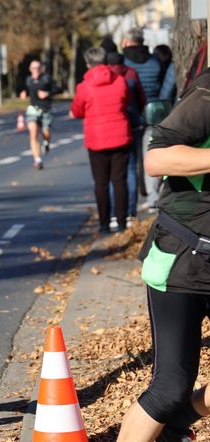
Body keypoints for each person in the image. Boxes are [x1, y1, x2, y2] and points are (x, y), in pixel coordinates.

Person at [117, 68, 210, 442]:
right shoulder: (208, 91)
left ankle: (176, 422)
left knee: (174, 401)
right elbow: (157, 159)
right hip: (183, 258)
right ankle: (170, 415)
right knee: (170, 387)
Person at [70, 47, 131, 234]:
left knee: (101, 183)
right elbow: (126, 102)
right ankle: (122, 222)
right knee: (120, 181)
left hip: (96, 139)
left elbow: (78, 110)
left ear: (88, 64)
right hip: (120, 135)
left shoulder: (84, 86)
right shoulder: (120, 81)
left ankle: (104, 224)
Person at [121, 27, 162, 213]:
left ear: (127, 41)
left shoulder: (124, 61)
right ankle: (153, 197)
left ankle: (133, 202)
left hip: (131, 111)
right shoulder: (154, 60)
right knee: (151, 155)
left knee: (131, 160)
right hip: (153, 109)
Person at [107, 51, 146, 229]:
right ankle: (130, 212)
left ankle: (115, 212)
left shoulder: (106, 77)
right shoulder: (131, 74)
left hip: (113, 127)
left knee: (112, 173)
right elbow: (142, 98)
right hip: (134, 125)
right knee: (131, 169)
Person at [19, 59, 54, 170]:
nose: (36, 70)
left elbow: (58, 88)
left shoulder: (46, 78)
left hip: (45, 109)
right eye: (33, 68)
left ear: (41, 68)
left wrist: (47, 93)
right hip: (33, 109)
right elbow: (26, 89)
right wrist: (24, 93)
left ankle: (46, 143)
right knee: (33, 133)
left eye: (38, 68)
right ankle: (37, 160)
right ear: (30, 69)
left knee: (46, 132)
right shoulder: (28, 80)